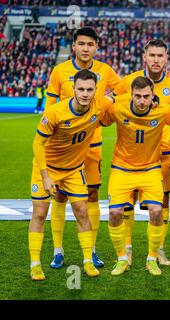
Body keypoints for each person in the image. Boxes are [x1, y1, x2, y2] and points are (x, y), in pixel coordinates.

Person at [45, 26, 120, 269]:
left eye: (90, 44)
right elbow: (50, 107)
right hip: (63, 148)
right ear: (74, 46)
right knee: (59, 194)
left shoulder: (105, 71)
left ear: (96, 47)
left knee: (92, 194)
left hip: (92, 145)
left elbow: (124, 90)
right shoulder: (60, 71)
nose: (86, 48)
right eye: (81, 43)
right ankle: (58, 250)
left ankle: (92, 250)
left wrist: (110, 101)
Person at [29, 69, 113, 280]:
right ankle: (35, 264)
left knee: (82, 211)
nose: (85, 93)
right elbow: (38, 143)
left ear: (96, 90)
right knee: (39, 213)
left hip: (74, 170)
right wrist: (46, 176)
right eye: (81, 89)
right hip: (48, 169)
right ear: (73, 89)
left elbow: (120, 97)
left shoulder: (100, 105)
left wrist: (154, 99)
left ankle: (87, 261)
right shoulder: (55, 113)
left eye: (90, 89)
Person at [101, 76, 170, 276]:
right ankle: (122, 259)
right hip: (121, 168)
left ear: (153, 95)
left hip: (150, 168)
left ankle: (151, 259)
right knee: (115, 213)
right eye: (138, 96)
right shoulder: (118, 108)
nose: (142, 101)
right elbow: (101, 118)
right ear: (131, 94)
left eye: (146, 96)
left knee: (156, 210)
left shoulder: (162, 110)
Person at [114, 39, 170, 266]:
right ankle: (128, 248)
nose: (156, 60)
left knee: (162, 201)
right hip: (131, 153)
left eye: (160, 56)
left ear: (166, 57)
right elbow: (113, 104)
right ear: (144, 55)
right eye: (152, 55)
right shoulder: (127, 82)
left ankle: (159, 249)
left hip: (161, 152)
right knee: (127, 202)